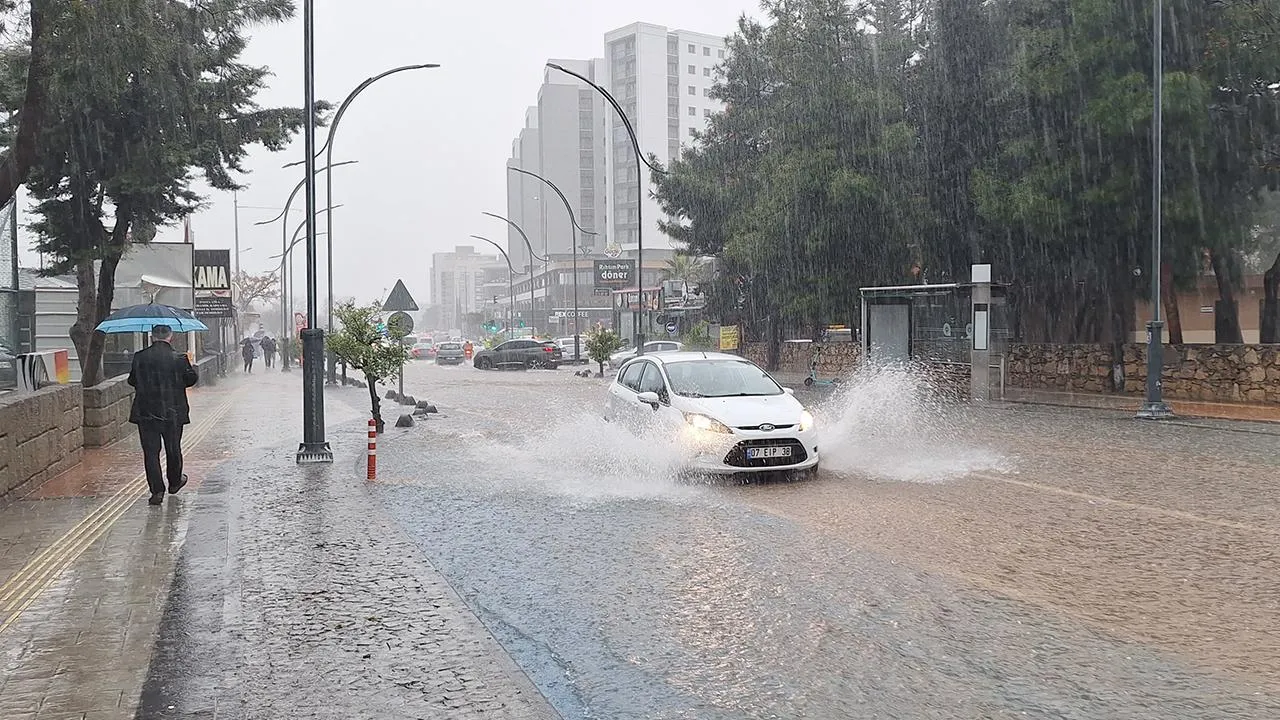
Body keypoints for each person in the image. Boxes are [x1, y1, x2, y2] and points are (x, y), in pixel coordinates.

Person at [128, 325, 199, 506]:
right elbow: (190, 380)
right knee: (173, 448)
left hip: (146, 412)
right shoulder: (179, 358)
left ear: (152, 337)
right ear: (170, 336)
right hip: (172, 411)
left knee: (151, 453)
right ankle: (175, 482)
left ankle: (157, 491)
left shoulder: (140, 357)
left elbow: (132, 380)